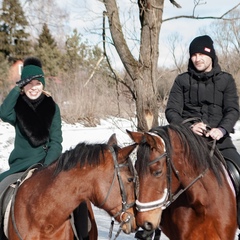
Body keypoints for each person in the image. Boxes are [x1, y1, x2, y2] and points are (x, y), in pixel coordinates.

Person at [165, 35, 240, 237]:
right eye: (193, 55)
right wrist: (188, 126)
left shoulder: (226, 80)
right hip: (188, 142)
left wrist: (222, 129)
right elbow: (171, 111)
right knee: (159, 171)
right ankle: (151, 223)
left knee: (239, 172)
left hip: (220, 141)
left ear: (210, 55)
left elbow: (233, 110)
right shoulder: (182, 81)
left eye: (201, 54)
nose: (197, 59)